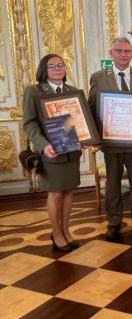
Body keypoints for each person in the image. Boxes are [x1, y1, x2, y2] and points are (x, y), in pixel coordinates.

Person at [88, 37, 132, 241]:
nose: (123, 54)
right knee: (113, 184)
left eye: (127, 51)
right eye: (119, 51)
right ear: (111, 53)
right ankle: (114, 223)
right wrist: (94, 136)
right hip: (111, 141)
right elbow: (91, 107)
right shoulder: (98, 77)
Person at [23, 54, 82, 251]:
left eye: (61, 65)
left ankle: (65, 230)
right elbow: (29, 124)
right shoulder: (34, 91)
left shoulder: (72, 91)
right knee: (56, 193)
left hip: (71, 152)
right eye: (52, 66)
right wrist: (43, 145)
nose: (57, 68)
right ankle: (56, 232)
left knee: (69, 191)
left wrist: (85, 137)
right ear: (44, 70)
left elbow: (78, 121)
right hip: (51, 151)